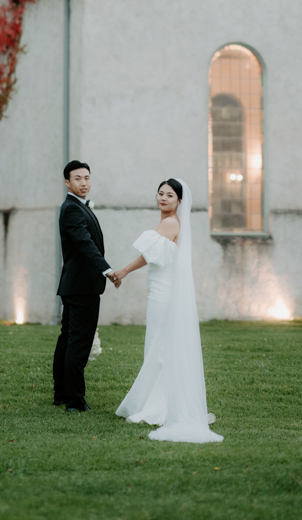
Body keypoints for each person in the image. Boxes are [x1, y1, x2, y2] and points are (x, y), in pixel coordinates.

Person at [113, 178, 223, 443]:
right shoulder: (168, 222)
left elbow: (149, 256)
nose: (163, 198)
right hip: (160, 289)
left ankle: (159, 405)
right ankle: (155, 400)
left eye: (169, 195)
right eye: (160, 194)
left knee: (158, 347)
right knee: (158, 346)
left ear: (179, 201)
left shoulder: (171, 223)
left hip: (163, 294)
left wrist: (124, 271)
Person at [52, 161, 120, 412]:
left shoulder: (77, 207)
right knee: (78, 343)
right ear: (67, 182)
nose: (84, 183)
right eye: (78, 178)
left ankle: (61, 393)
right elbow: (84, 243)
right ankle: (75, 401)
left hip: (75, 285)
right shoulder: (71, 209)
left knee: (68, 339)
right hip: (82, 287)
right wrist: (107, 269)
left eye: (87, 178)